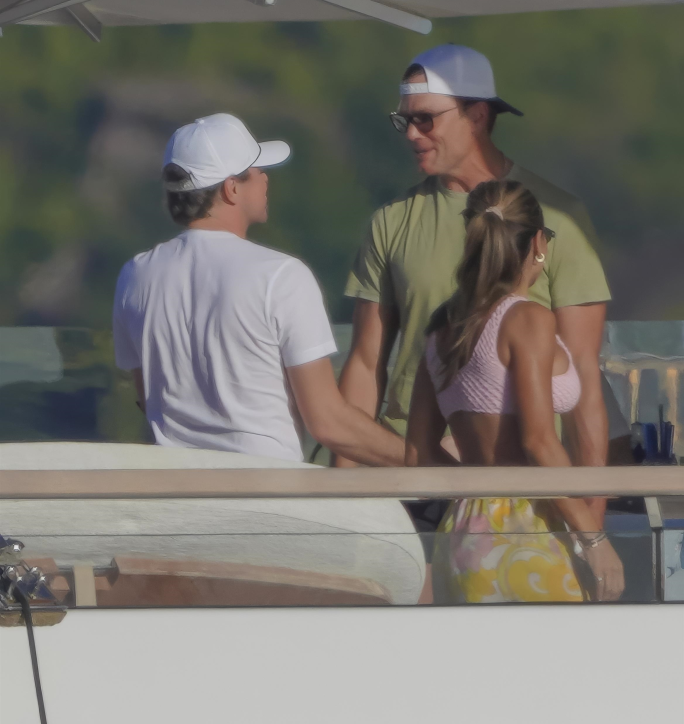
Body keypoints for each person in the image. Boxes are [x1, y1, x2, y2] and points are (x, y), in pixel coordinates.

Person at [339, 44, 613, 515]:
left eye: (426, 119)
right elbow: (366, 364)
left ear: (478, 115)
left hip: (525, 491)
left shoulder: (558, 217)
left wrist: (591, 510)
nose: (411, 134)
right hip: (411, 478)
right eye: (405, 120)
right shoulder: (390, 222)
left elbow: (585, 376)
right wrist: (342, 495)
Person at [113, 113, 404, 466]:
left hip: (175, 500)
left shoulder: (135, 276)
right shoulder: (280, 276)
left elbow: (149, 398)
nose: (266, 179)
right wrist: (427, 463)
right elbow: (328, 423)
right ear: (231, 188)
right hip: (266, 497)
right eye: (257, 170)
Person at [405, 179, 625, 603]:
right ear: (539, 243)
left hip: (463, 533)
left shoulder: (441, 327)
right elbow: (539, 441)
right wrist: (593, 539)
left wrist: (480, 486)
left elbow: (417, 453)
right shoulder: (529, 320)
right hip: (526, 529)